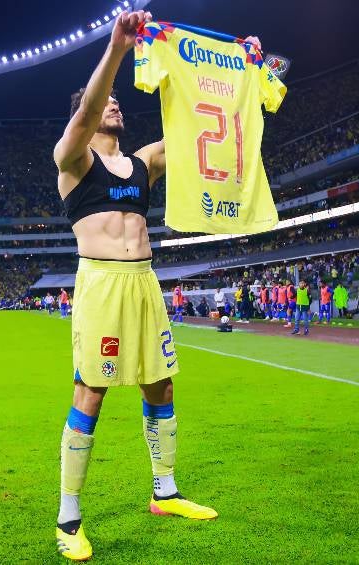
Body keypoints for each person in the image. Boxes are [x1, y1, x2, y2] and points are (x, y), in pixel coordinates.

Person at [52, 10, 228, 560]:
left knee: (162, 387)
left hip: (144, 282)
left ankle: (165, 491)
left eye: (118, 101)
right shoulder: (73, 160)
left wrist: (238, 69)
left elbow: (194, 126)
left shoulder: (143, 162)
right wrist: (117, 50)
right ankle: (69, 517)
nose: (115, 104)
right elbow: (86, 112)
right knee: (91, 392)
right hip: (101, 284)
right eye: (107, 102)